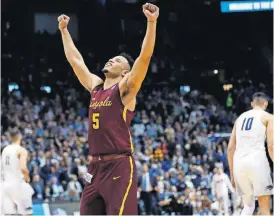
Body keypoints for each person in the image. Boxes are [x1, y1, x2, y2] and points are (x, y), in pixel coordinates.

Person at [58, 3, 159, 215]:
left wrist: (151, 23)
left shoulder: (125, 90)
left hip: (118, 165)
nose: (111, 60)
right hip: (94, 168)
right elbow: (76, 60)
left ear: (125, 73)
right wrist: (64, 31)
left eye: (117, 61)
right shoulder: (96, 87)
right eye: (112, 58)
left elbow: (144, 58)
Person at [227, 92, 273, 215]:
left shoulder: (239, 118)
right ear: (266, 104)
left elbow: (230, 148)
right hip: (257, 162)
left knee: (248, 206)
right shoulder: (268, 117)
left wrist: (232, 174)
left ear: (252, 104)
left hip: (239, 164)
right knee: (264, 207)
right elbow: (271, 146)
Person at [1, 128, 34, 215]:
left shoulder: (5, 150)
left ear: (10, 138)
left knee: (11, 214)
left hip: (6, 185)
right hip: (18, 185)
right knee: (28, 213)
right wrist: (27, 177)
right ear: (20, 137)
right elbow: (23, 168)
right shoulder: (21, 150)